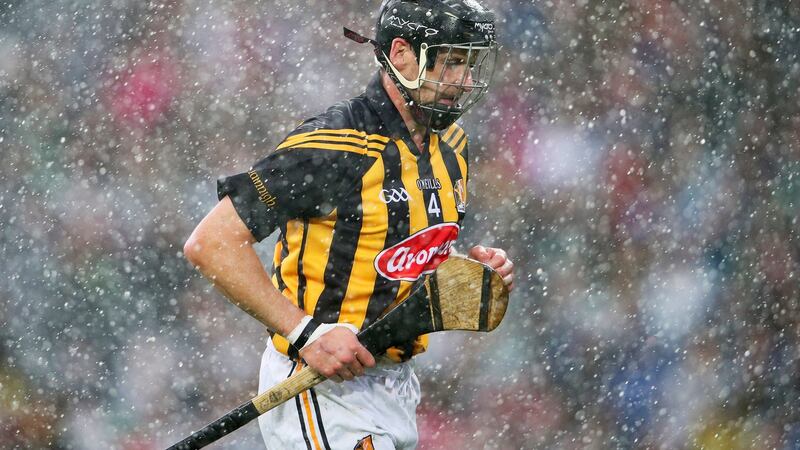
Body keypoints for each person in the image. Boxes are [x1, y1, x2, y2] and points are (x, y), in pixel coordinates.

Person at [183, 0, 514, 448]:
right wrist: (307, 334)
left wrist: (465, 269)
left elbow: (395, 252)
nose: (467, 81)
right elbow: (211, 243)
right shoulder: (332, 145)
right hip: (319, 387)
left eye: (471, 65)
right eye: (453, 63)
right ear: (402, 54)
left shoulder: (452, 145)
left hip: (398, 387)